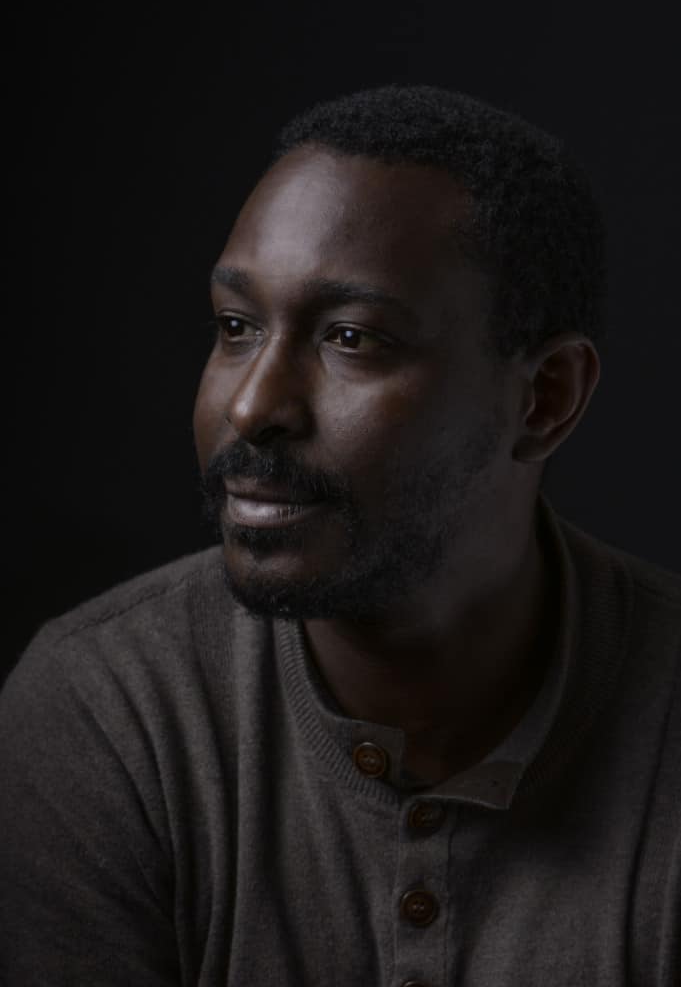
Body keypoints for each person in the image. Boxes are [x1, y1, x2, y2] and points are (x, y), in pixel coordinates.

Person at [1, 85, 678, 987]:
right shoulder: (107, 714)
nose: (252, 406)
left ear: (543, 397)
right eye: (236, 327)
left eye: (351, 338)